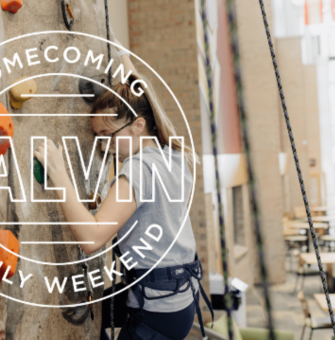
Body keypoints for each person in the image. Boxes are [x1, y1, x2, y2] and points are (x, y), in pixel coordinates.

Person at [34, 33, 212, 340]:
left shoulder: (140, 168)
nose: (103, 146)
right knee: (98, 306)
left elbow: (92, 238)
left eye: (108, 135)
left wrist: (58, 171)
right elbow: (144, 93)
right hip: (178, 299)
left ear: (139, 125)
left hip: (157, 311)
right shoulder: (172, 153)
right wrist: (120, 52)